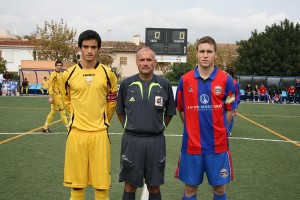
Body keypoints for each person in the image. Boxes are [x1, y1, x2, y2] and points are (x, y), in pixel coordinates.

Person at [175, 36, 236, 200]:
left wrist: (221, 128)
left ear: (215, 54)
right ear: (196, 54)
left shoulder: (226, 80)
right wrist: (192, 128)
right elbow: (181, 110)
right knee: (189, 189)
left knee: (219, 189)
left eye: (209, 51)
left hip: (218, 146)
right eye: (202, 51)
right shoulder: (185, 80)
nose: (205, 55)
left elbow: (229, 109)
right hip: (192, 145)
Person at [61, 30, 118, 200]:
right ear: (79, 48)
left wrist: (103, 120)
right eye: (85, 47)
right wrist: (77, 117)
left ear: (98, 49)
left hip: (100, 134)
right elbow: (66, 100)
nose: (89, 51)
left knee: (101, 188)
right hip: (77, 133)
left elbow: (112, 101)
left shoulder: (108, 74)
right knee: (77, 187)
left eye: (93, 47)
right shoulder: (68, 74)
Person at [117, 47, 176, 200]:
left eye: (149, 60)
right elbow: (119, 111)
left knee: (154, 186)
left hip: (156, 142)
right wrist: (128, 126)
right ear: (136, 62)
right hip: (132, 141)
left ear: (154, 62)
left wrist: (159, 126)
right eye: (142, 60)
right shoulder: (126, 84)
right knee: (130, 185)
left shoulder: (164, 84)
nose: (145, 63)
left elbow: (169, 112)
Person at [41, 61, 68, 133]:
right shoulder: (53, 75)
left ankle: (45, 128)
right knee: (63, 112)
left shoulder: (61, 74)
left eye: (60, 65)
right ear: (55, 66)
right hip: (56, 97)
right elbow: (50, 86)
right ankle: (68, 128)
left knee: (53, 112)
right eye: (57, 65)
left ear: (62, 66)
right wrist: (50, 97)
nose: (59, 66)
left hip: (60, 96)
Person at [225, 68, 240, 136]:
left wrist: (236, 102)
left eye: (226, 73)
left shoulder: (235, 83)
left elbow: (237, 94)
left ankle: (228, 131)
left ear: (230, 74)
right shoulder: (222, 81)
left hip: (231, 102)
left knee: (230, 116)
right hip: (222, 102)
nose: (225, 74)